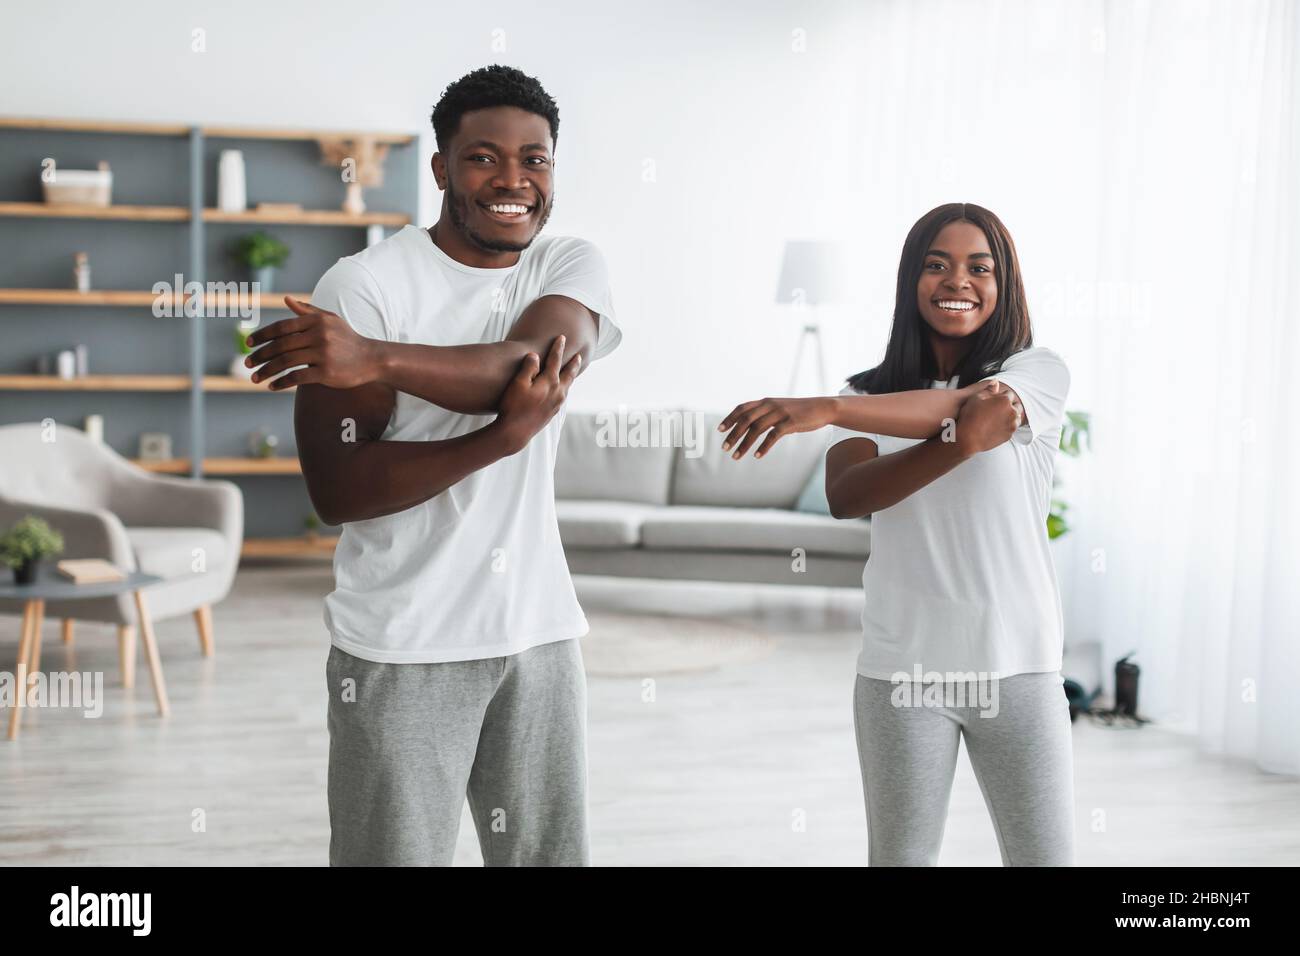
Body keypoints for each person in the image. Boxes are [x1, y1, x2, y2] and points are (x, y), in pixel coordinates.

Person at [243, 64, 622, 866]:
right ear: (442, 168)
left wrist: (371, 359)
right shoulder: (364, 285)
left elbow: (534, 361)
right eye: (484, 158)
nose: (514, 179)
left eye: (536, 159)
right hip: (402, 645)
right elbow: (340, 489)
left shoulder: (566, 264)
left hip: (539, 638)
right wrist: (495, 439)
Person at [718, 202, 1074, 865]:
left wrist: (824, 407)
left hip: (1018, 667)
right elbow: (849, 496)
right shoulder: (869, 395)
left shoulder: (1036, 374)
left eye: (979, 267)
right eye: (936, 265)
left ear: (1005, 285)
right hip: (902, 675)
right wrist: (960, 444)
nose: (957, 281)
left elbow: (972, 409)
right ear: (912, 279)